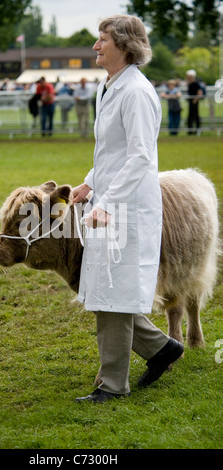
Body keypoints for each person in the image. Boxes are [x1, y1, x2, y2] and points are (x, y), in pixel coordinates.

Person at [72, 15, 184, 404]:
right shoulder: (111, 87)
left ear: (123, 45)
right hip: (110, 202)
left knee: (112, 294)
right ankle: (161, 349)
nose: (95, 47)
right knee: (106, 292)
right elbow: (111, 152)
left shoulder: (136, 91)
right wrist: (90, 180)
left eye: (102, 39)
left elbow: (140, 157)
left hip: (125, 207)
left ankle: (113, 386)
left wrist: (106, 203)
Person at [186, 70, 203, 135]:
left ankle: (197, 131)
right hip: (191, 102)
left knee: (195, 116)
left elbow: (200, 93)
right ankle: (190, 131)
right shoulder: (189, 84)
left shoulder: (196, 84)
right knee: (190, 116)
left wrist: (195, 99)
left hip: (194, 102)